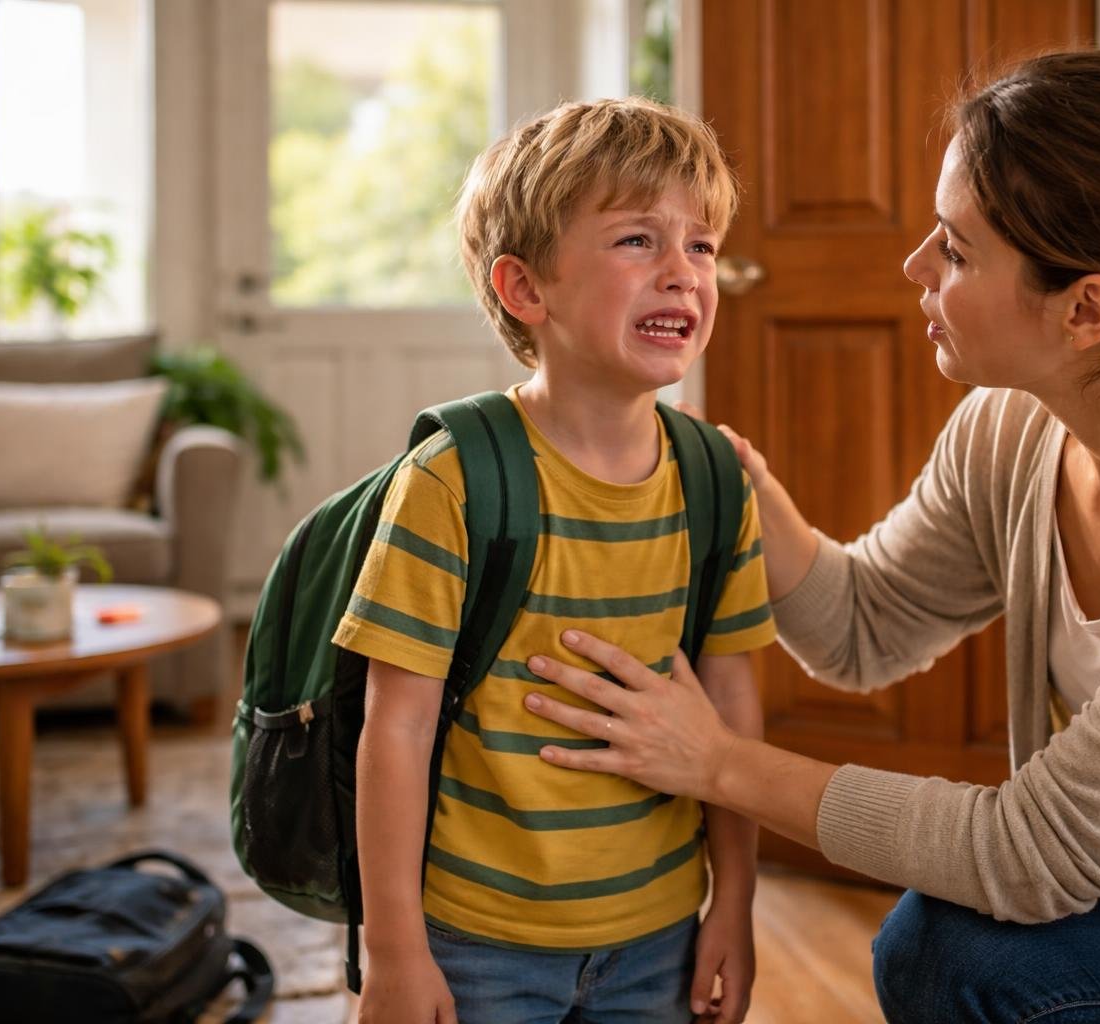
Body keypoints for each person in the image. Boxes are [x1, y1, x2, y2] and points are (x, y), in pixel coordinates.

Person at [520, 49, 1100, 1023]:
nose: (914, 266)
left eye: (956, 252)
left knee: (968, 934)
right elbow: (863, 627)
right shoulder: (1021, 428)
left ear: (1088, 310)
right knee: (946, 948)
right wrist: (730, 483)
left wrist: (716, 762)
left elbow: (1025, 853)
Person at [332, 97, 775, 1024]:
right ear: (526, 289)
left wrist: (732, 901)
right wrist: (394, 952)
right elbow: (396, 731)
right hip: (476, 940)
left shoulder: (715, 482)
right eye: (636, 241)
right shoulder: (452, 479)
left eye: (700, 245)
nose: (682, 274)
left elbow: (731, 708)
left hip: (661, 934)